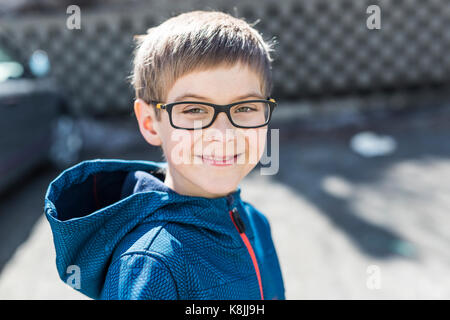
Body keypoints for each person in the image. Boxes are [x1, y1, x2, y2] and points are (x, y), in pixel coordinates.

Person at [44, 10, 285, 300]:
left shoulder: (255, 222)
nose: (224, 133)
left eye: (245, 108)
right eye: (194, 110)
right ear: (149, 123)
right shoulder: (150, 266)